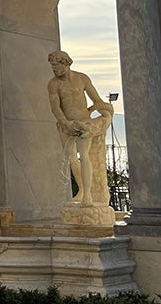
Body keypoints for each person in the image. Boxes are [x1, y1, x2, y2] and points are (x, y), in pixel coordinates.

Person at [46, 50, 112, 205]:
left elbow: (96, 100)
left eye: (56, 66)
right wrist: (64, 122)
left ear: (66, 63)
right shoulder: (53, 83)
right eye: (52, 67)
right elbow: (55, 107)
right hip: (66, 124)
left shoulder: (82, 78)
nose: (54, 70)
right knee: (71, 158)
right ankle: (82, 190)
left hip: (84, 123)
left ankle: (88, 195)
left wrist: (105, 114)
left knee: (84, 155)